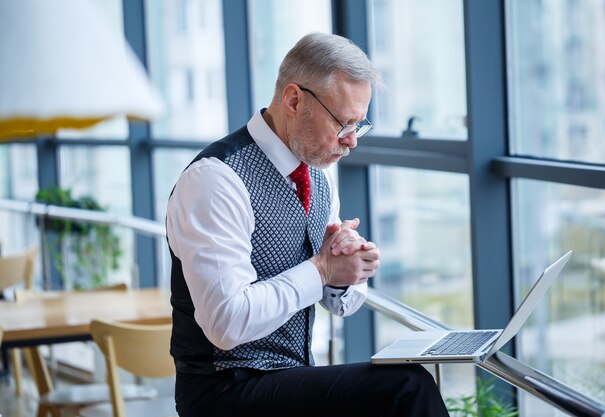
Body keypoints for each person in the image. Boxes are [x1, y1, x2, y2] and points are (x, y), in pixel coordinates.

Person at [166, 32, 450, 417]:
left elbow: (341, 304)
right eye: (343, 124)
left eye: (358, 126)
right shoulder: (215, 180)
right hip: (223, 390)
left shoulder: (316, 178)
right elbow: (226, 324)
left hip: (289, 377)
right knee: (406, 387)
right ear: (294, 100)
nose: (351, 142)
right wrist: (320, 269)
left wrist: (346, 270)